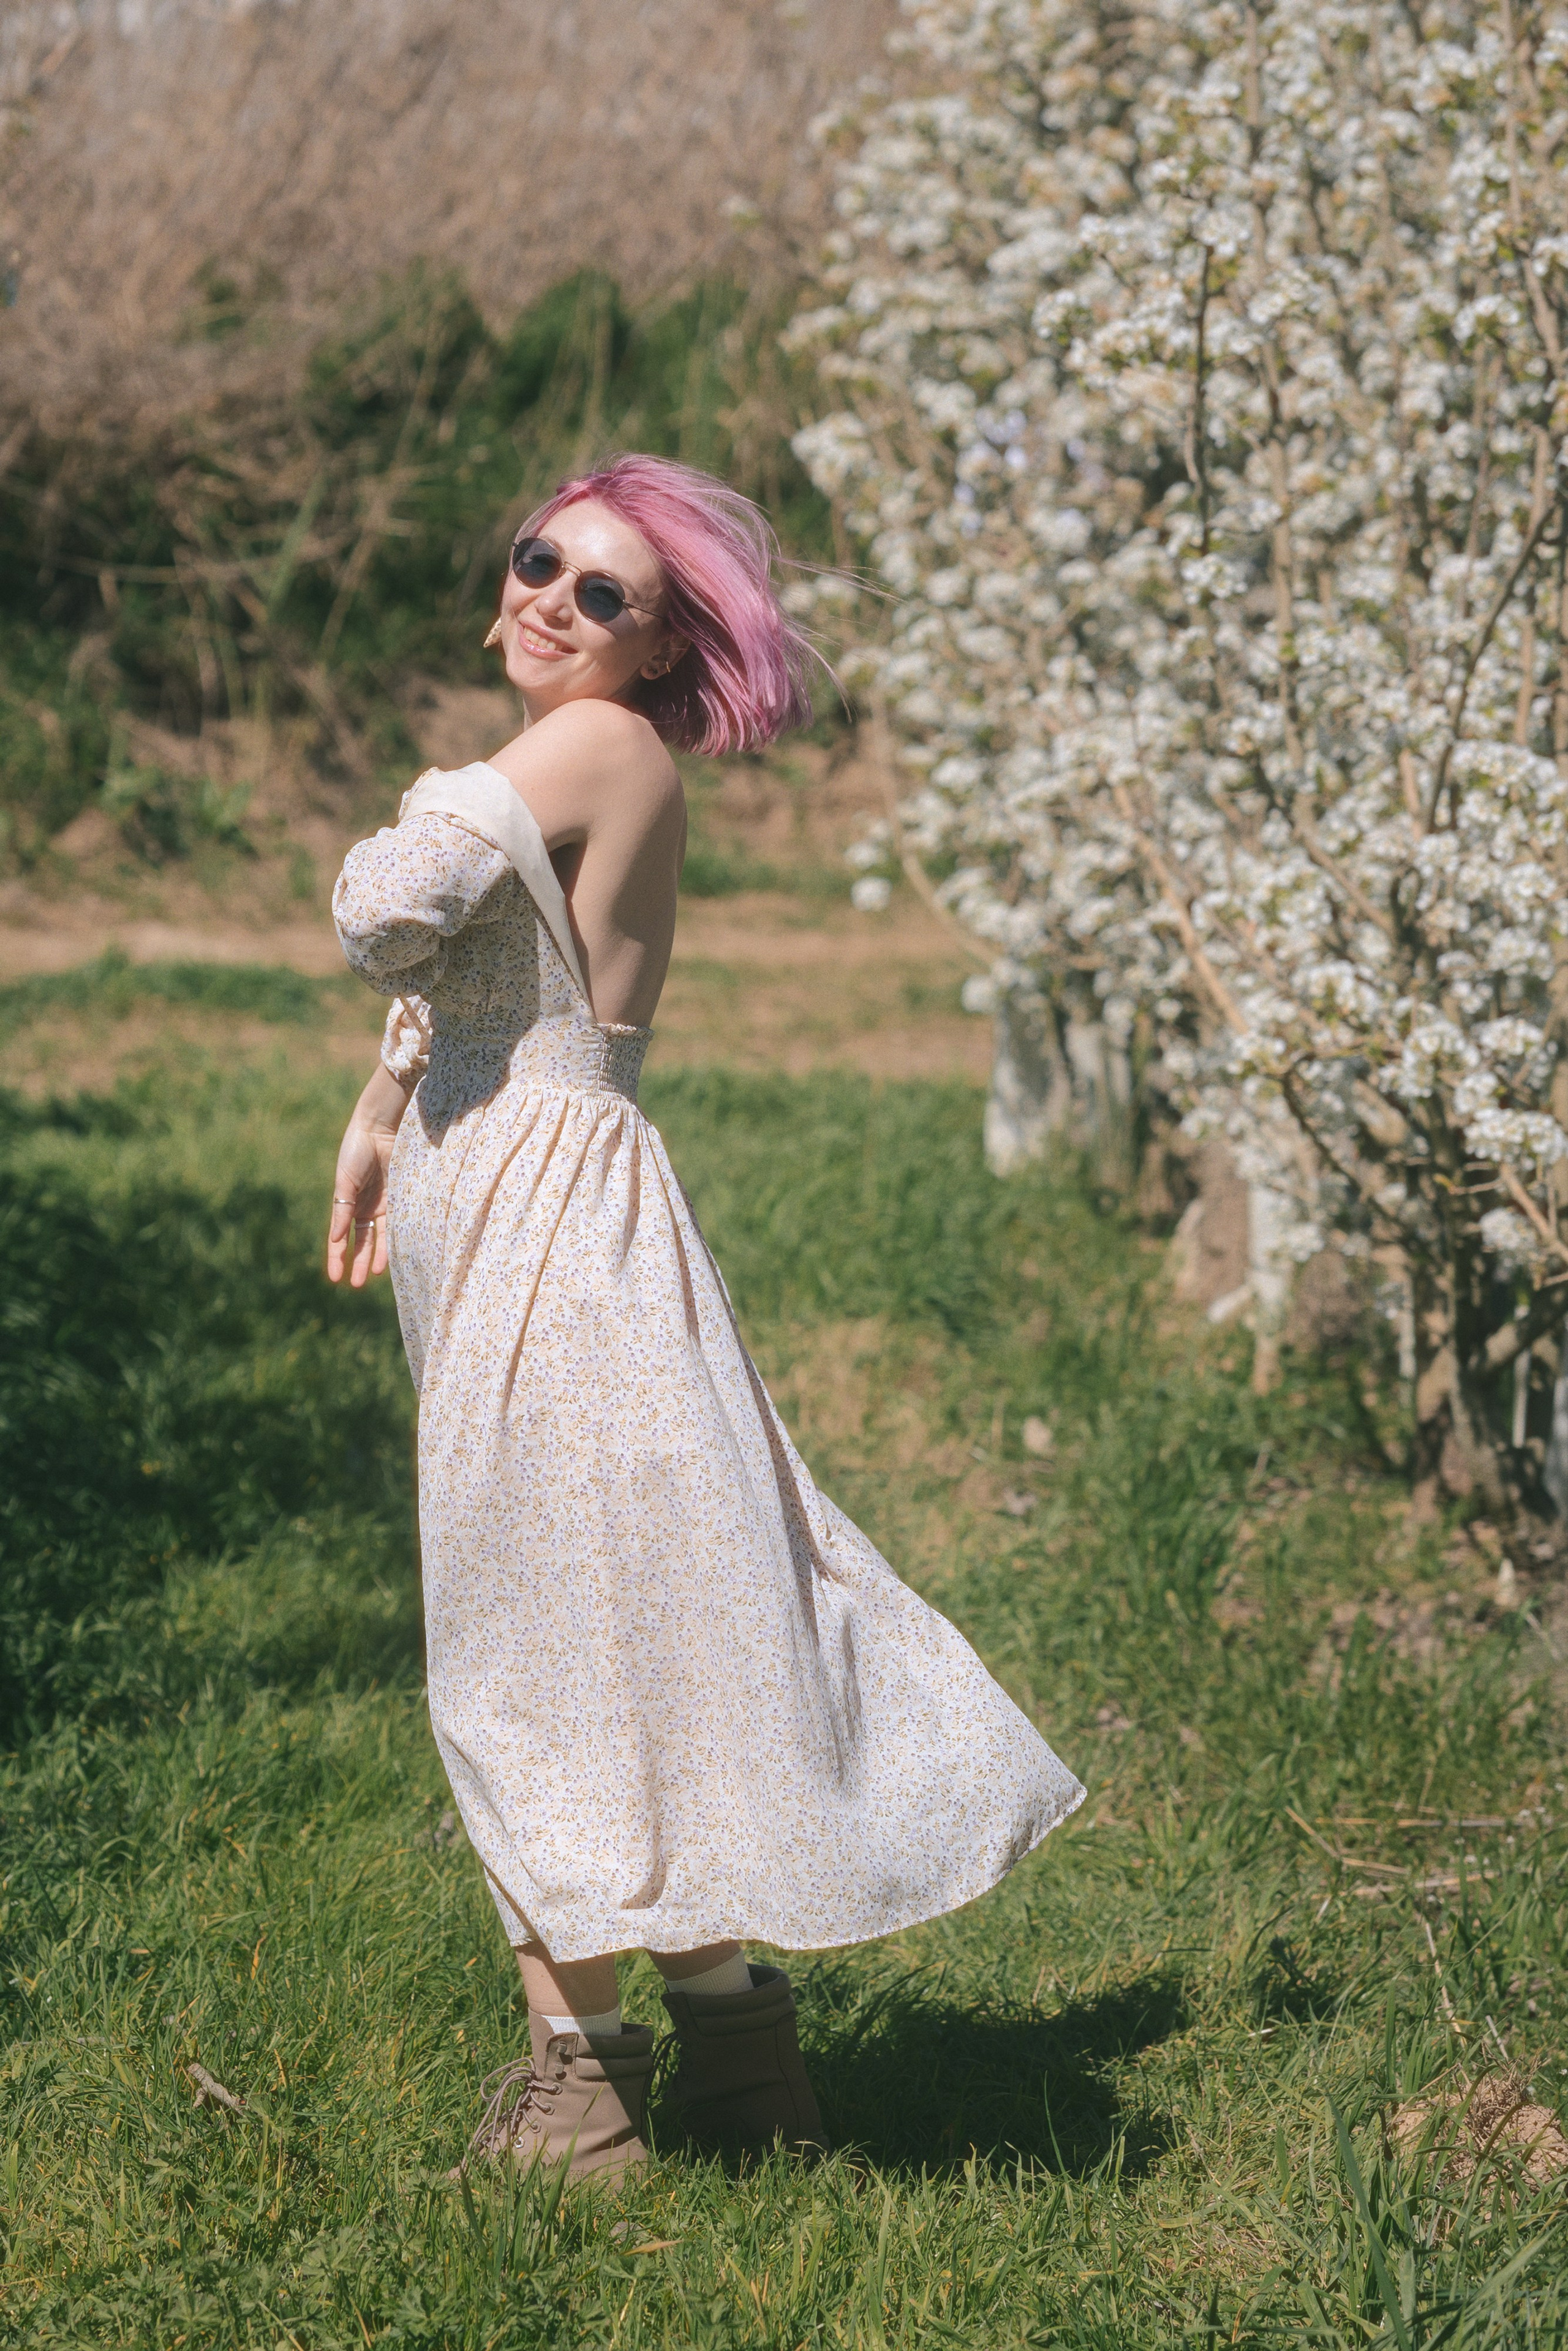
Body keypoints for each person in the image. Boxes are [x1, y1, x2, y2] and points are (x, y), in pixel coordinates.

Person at [326, 453, 1083, 2185]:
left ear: (663, 647)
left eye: (604, 593)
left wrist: (430, 798)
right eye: (540, 558)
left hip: (547, 1235)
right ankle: (747, 2081)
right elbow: (465, 985)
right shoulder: (579, 756)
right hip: (524, 1219)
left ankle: (581, 2103)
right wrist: (379, 1113)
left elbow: (390, 910)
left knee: (529, 1652)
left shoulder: (595, 744)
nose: (550, 599)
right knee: (617, 1635)